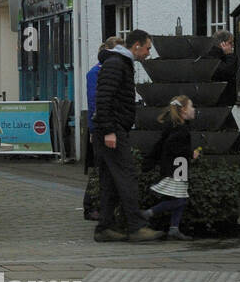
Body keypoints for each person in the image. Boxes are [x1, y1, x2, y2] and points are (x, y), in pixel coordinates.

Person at [94, 28, 160, 242]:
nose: (148, 53)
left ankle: (105, 227)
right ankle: (136, 226)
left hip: (111, 128)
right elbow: (104, 98)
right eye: (147, 48)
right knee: (127, 176)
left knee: (111, 180)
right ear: (137, 46)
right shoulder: (116, 64)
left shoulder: (119, 63)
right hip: (112, 130)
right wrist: (110, 131)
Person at [143, 95, 199, 240]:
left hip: (178, 167)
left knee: (180, 198)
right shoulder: (181, 130)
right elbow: (172, 147)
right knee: (179, 200)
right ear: (183, 111)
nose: (194, 110)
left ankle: (174, 228)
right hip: (177, 168)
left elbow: (161, 145)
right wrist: (190, 153)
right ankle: (147, 214)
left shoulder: (174, 127)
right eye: (191, 106)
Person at [83, 36, 122, 221]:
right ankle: (89, 206)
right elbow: (94, 102)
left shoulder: (111, 70)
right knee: (99, 167)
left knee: (105, 167)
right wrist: (93, 128)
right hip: (100, 127)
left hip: (110, 125)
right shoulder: (95, 73)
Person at [205, 30, 238, 108]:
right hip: (219, 100)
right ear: (222, 43)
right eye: (230, 42)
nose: (232, 46)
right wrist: (229, 54)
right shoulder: (213, 56)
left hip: (222, 99)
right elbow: (228, 71)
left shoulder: (218, 55)